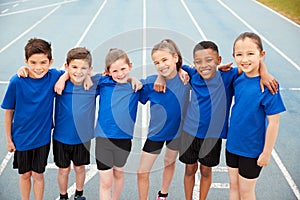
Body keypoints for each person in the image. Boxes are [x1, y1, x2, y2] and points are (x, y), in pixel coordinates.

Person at [156, 40, 278, 200]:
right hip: (189, 132)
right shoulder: (193, 74)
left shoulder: (228, 76)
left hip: (213, 136)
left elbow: (249, 65)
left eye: (209, 61)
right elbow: (170, 65)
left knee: (206, 171)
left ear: (219, 60)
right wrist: (160, 77)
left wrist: (265, 72)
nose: (203, 65)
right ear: (193, 63)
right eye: (198, 62)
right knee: (189, 169)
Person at [1, 38, 67, 200]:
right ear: (26, 61)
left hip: (42, 138)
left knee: (38, 175)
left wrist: (63, 78)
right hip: (21, 138)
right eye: (33, 63)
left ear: (51, 62)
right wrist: (9, 139)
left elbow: (71, 71)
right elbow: (9, 111)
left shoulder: (53, 76)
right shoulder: (17, 81)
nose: (39, 68)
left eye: (43, 62)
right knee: (24, 175)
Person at [226, 32, 286, 200]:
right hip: (233, 145)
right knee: (234, 188)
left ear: (262, 55)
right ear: (234, 56)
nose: (244, 59)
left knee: (246, 193)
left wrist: (267, 153)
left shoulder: (269, 86)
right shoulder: (237, 77)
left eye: (250, 54)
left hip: (252, 149)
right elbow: (213, 69)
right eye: (239, 55)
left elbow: (274, 123)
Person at [137, 39, 190, 200]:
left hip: (177, 133)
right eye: (156, 62)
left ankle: (163, 194)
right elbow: (134, 86)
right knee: (142, 172)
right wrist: (160, 76)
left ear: (175, 58)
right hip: (156, 134)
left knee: (169, 162)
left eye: (164, 60)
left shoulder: (187, 77)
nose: (161, 65)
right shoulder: (152, 83)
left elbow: (206, 71)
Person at [52, 47, 99, 200]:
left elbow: (114, 76)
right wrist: (63, 77)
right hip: (61, 137)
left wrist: (133, 80)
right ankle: (63, 196)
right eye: (74, 67)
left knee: (80, 168)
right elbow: (39, 72)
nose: (79, 72)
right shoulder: (58, 80)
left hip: (82, 137)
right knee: (63, 170)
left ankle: (79, 194)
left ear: (90, 69)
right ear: (66, 67)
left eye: (84, 68)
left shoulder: (94, 83)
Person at [94, 48, 141, 200]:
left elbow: (162, 79)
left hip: (124, 140)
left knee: (119, 173)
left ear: (130, 66)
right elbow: (80, 73)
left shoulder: (136, 87)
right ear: (108, 71)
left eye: (123, 69)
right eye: (115, 71)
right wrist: (62, 78)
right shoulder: (102, 83)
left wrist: (132, 79)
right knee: (106, 182)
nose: (120, 74)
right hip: (103, 140)